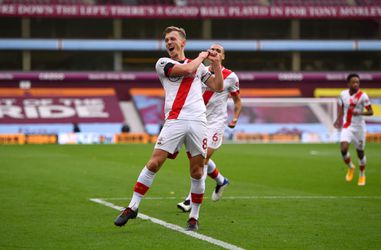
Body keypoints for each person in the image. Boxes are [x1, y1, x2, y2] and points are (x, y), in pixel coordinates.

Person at [114, 26, 223, 231]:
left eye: (172, 38)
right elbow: (188, 70)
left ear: (183, 42)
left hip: (199, 121)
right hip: (175, 121)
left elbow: (217, 86)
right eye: (166, 40)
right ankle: (133, 206)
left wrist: (215, 64)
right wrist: (201, 58)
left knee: (197, 171)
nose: (168, 42)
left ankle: (194, 217)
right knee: (154, 163)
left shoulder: (199, 67)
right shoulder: (163, 63)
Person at [177, 43, 241, 212]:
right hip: (199, 120)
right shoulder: (201, 71)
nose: (214, 52)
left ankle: (190, 199)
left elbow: (237, 101)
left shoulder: (231, 77)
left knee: (203, 158)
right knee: (197, 158)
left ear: (223, 57)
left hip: (216, 122)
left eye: (218, 51)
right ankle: (221, 181)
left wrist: (235, 118)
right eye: (212, 49)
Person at [333, 73, 373, 186]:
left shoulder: (363, 96)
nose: (356, 84)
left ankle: (362, 174)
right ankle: (351, 167)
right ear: (348, 83)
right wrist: (337, 120)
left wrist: (359, 112)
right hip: (347, 126)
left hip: (359, 128)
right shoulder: (343, 94)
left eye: (357, 82)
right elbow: (341, 108)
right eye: (353, 82)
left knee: (360, 153)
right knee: (343, 149)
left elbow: (371, 112)